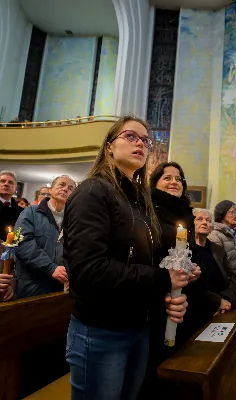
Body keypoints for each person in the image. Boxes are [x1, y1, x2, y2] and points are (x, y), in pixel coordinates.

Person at [63, 116, 188, 400]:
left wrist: (167, 296)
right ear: (109, 146)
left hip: (137, 327)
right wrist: (162, 278)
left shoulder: (138, 201)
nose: (140, 144)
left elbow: (141, 266)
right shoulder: (93, 191)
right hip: (101, 330)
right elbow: (88, 271)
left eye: (146, 141)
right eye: (131, 136)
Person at [139, 161, 200, 400]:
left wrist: (194, 269)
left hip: (183, 295)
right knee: (156, 361)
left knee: (179, 358)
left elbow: (189, 253)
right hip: (155, 295)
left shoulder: (186, 213)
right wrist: (166, 280)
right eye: (167, 178)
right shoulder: (147, 208)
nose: (174, 182)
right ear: (155, 182)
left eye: (179, 179)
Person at [14, 175, 75, 298]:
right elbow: (20, 242)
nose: (65, 189)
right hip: (32, 285)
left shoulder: (75, 219)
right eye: (61, 185)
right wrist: (51, 268)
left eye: (70, 188)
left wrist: (70, 273)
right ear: (51, 190)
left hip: (61, 287)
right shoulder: (29, 212)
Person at [191, 209, 236, 315]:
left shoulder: (217, 249)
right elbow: (191, 286)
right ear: (191, 223)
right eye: (199, 219)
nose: (204, 222)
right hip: (199, 310)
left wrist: (227, 299)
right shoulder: (187, 249)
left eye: (208, 220)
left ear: (211, 226)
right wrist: (217, 302)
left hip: (224, 307)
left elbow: (233, 278)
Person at [0, 170, 23, 241]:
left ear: (15, 188)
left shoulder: (21, 212)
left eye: (10, 182)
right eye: (2, 181)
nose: (6, 184)